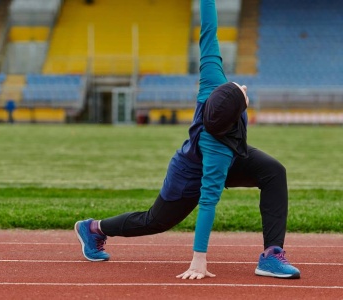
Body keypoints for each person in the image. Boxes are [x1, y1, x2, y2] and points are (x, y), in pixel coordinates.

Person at [75, 0, 300, 280]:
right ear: (235, 115)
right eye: (241, 93)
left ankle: (271, 255)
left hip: (231, 153)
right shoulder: (216, 149)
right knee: (155, 221)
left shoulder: (211, 82)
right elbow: (208, 202)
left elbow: (208, 31)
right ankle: (94, 228)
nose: (242, 87)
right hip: (189, 175)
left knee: (274, 172)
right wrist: (199, 260)